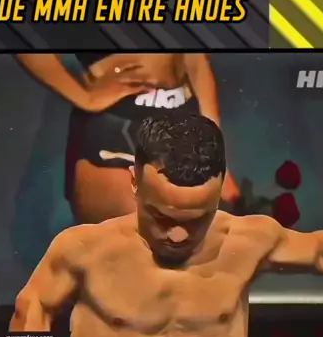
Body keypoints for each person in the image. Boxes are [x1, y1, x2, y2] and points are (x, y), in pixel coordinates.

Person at [10, 112, 323, 337]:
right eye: (161, 218)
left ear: (220, 191)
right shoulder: (85, 249)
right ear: (134, 181)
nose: (178, 235)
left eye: (197, 220)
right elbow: (33, 308)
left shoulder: (249, 241)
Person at [17, 53, 240, 222]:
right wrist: (84, 97)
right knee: (132, 253)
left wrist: (218, 157)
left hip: (184, 116)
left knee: (204, 255)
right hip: (119, 122)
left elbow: (195, 58)